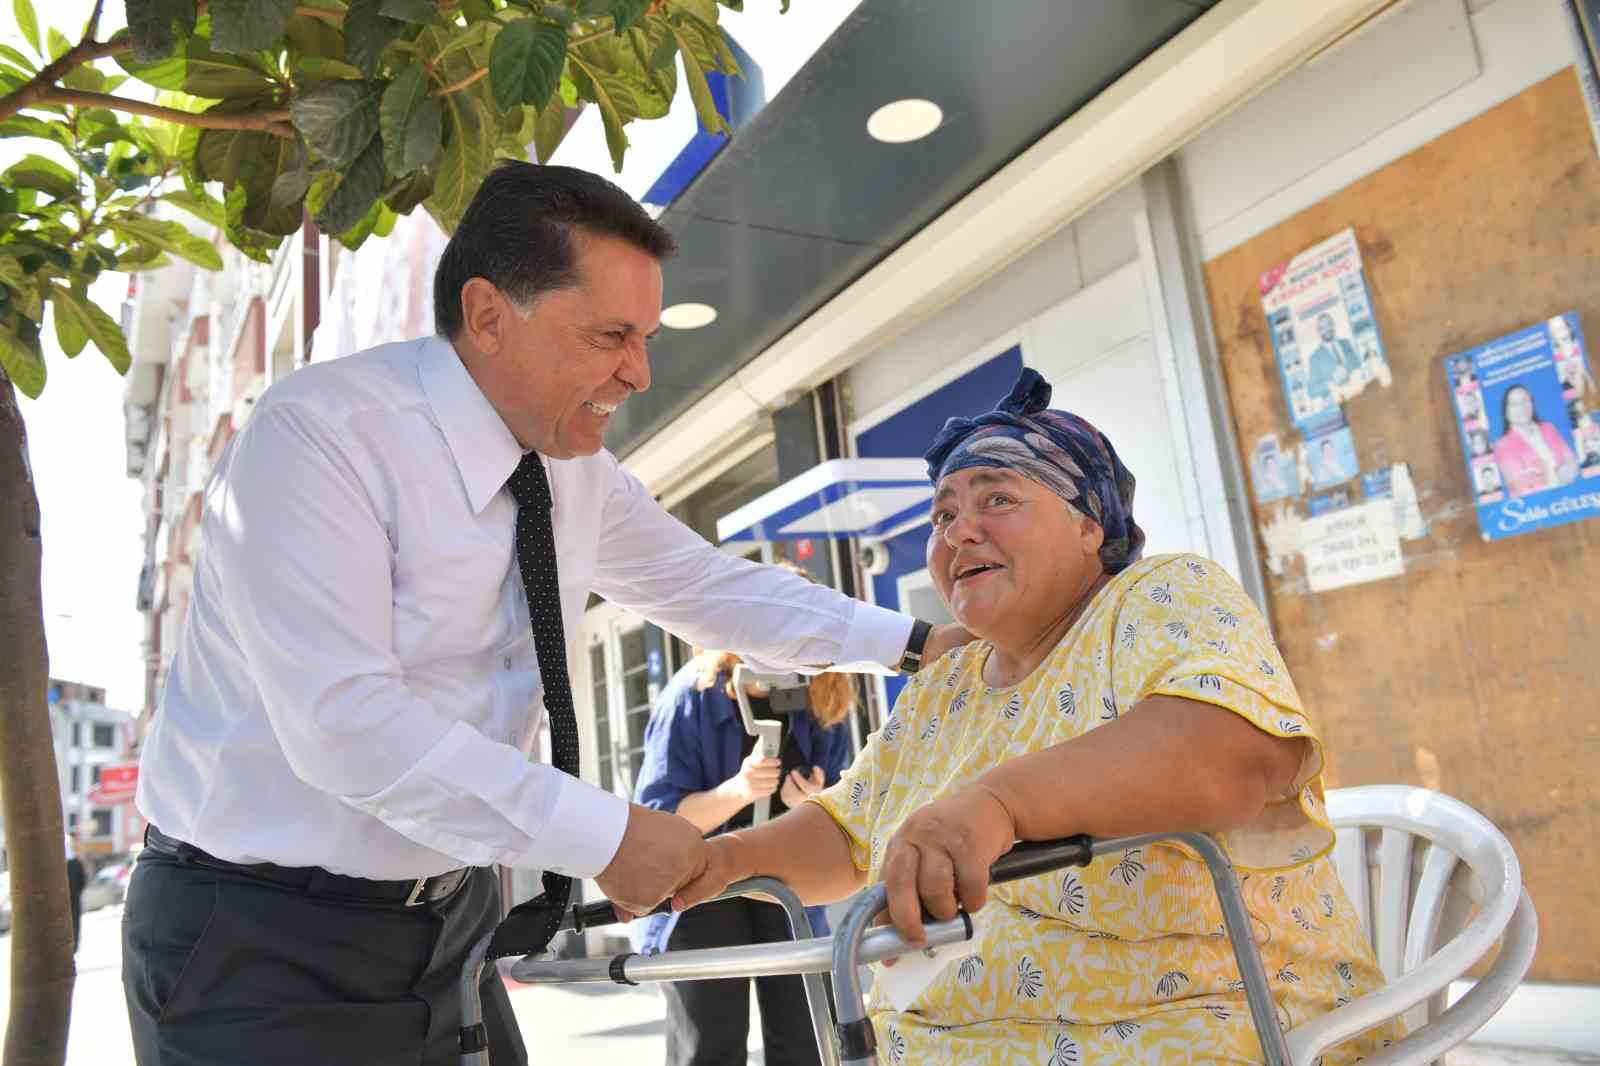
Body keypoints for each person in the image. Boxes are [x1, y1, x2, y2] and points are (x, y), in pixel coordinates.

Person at [122, 162, 969, 1066]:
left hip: (451, 923)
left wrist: (919, 645)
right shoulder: (321, 435)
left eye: (642, 336)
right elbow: (345, 728)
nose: (638, 372)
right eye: (610, 335)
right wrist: (604, 835)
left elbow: (711, 589)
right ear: (488, 315)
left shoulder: (573, 471)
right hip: (260, 944)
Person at [672, 368, 1399, 1064]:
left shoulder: (1156, 596)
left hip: (1200, 1028)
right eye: (944, 513)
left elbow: (1235, 755)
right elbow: (847, 828)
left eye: (997, 500)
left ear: (1090, 524)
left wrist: (998, 805)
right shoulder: (943, 682)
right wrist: (721, 860)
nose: (959, 531)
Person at [633, 561, 856, 1066]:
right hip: (699, 885)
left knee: (806, 1041)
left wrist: (813, 809)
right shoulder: (692, 696)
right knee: (710, 1045)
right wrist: (736, 791)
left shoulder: (825, 690)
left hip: (786, 883)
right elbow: (658, 820)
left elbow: (845, 809)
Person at [1491, 384, 1578, 497]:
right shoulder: (1502, 446)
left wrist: (1569, 469)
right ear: (1506, 412)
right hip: (1538, 506)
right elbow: (1521, 486)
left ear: (1532, 404)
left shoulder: (1548, 428)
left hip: (1569, 495)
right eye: (1514, 404)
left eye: (1525, 401)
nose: (1522, 407)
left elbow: (1571, 459)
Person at [1305, 313, 1361, 402]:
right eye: (1322, 327)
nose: (1327, 329)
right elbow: (1312, 390)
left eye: (1328, 324)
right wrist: (1332, 382)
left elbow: (1357, 361)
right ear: (1318, 331)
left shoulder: (1346, 343)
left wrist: (1346, 369)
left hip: (1358, 394)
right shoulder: (1315, 358)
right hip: (1338, 403)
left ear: (1333, 325)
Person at [64, 833, 85, 952]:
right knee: (74, 923)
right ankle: (74, 947)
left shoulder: (57, 865)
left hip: (65, 901)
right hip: (74, 899)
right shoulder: (76, 863)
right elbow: (82, 881)